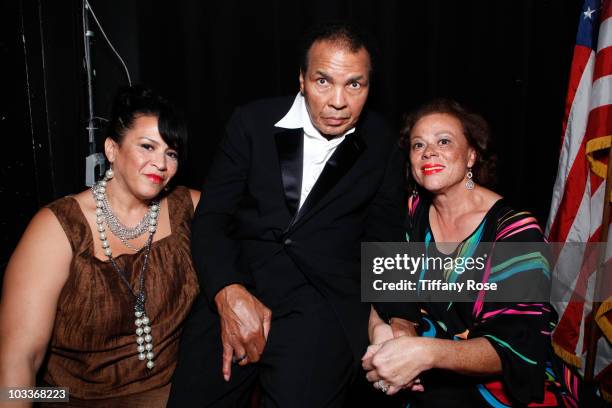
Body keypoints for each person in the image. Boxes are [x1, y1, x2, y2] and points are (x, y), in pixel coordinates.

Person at [169, 22, 408, 407]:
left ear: (369, 87)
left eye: (354, 85)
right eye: (323, 81)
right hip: (239, 286)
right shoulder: (252, 122)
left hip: (319, 307)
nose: (338, 102)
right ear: (301, 79)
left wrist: (401, 318)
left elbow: (387, 235)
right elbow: (212, 218)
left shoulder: (381, 141)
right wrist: (227, 292)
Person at [362, 99, 574, 407]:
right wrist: (381, 337)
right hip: (423, 378)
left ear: (471, 156)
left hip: (503, 389)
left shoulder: (516, 232)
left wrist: (424, 353)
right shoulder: (407, 213)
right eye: (418, 145)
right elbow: (382, 292)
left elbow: (514, 349)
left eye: (443, 141)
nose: (428, 152)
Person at [0, 86, 200, 407]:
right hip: (69, 397)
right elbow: (19, 360)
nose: (160, 164)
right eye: (147, 146)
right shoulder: (56, 228)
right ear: (111, 149)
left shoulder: (188, 209)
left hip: (172, 392)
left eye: (171, 153)